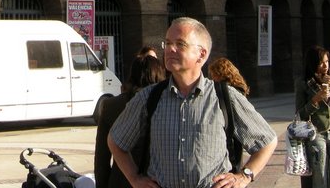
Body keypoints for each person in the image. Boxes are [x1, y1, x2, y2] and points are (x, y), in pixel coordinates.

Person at [108, 17, 277, 188]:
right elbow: (116, 140)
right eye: (167, 43)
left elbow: (267, 141)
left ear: (201, 54)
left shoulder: (225, 97)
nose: (170, 49)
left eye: (180, 44)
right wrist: (134, 179)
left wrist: (244, 176)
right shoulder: (149, 97)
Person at [94, 55, 165, 188]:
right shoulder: (166, 105)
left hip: (120, 181)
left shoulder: (111, 105)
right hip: (156, 181)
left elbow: (101, 159)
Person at [295, 46, 330, 188]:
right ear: (313, 63)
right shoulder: (303, 83)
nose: (325, 65)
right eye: (321, 62)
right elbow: (300, 114)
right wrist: (315, 100)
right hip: (316, 134)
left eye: (327, 61)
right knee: (320, 177)